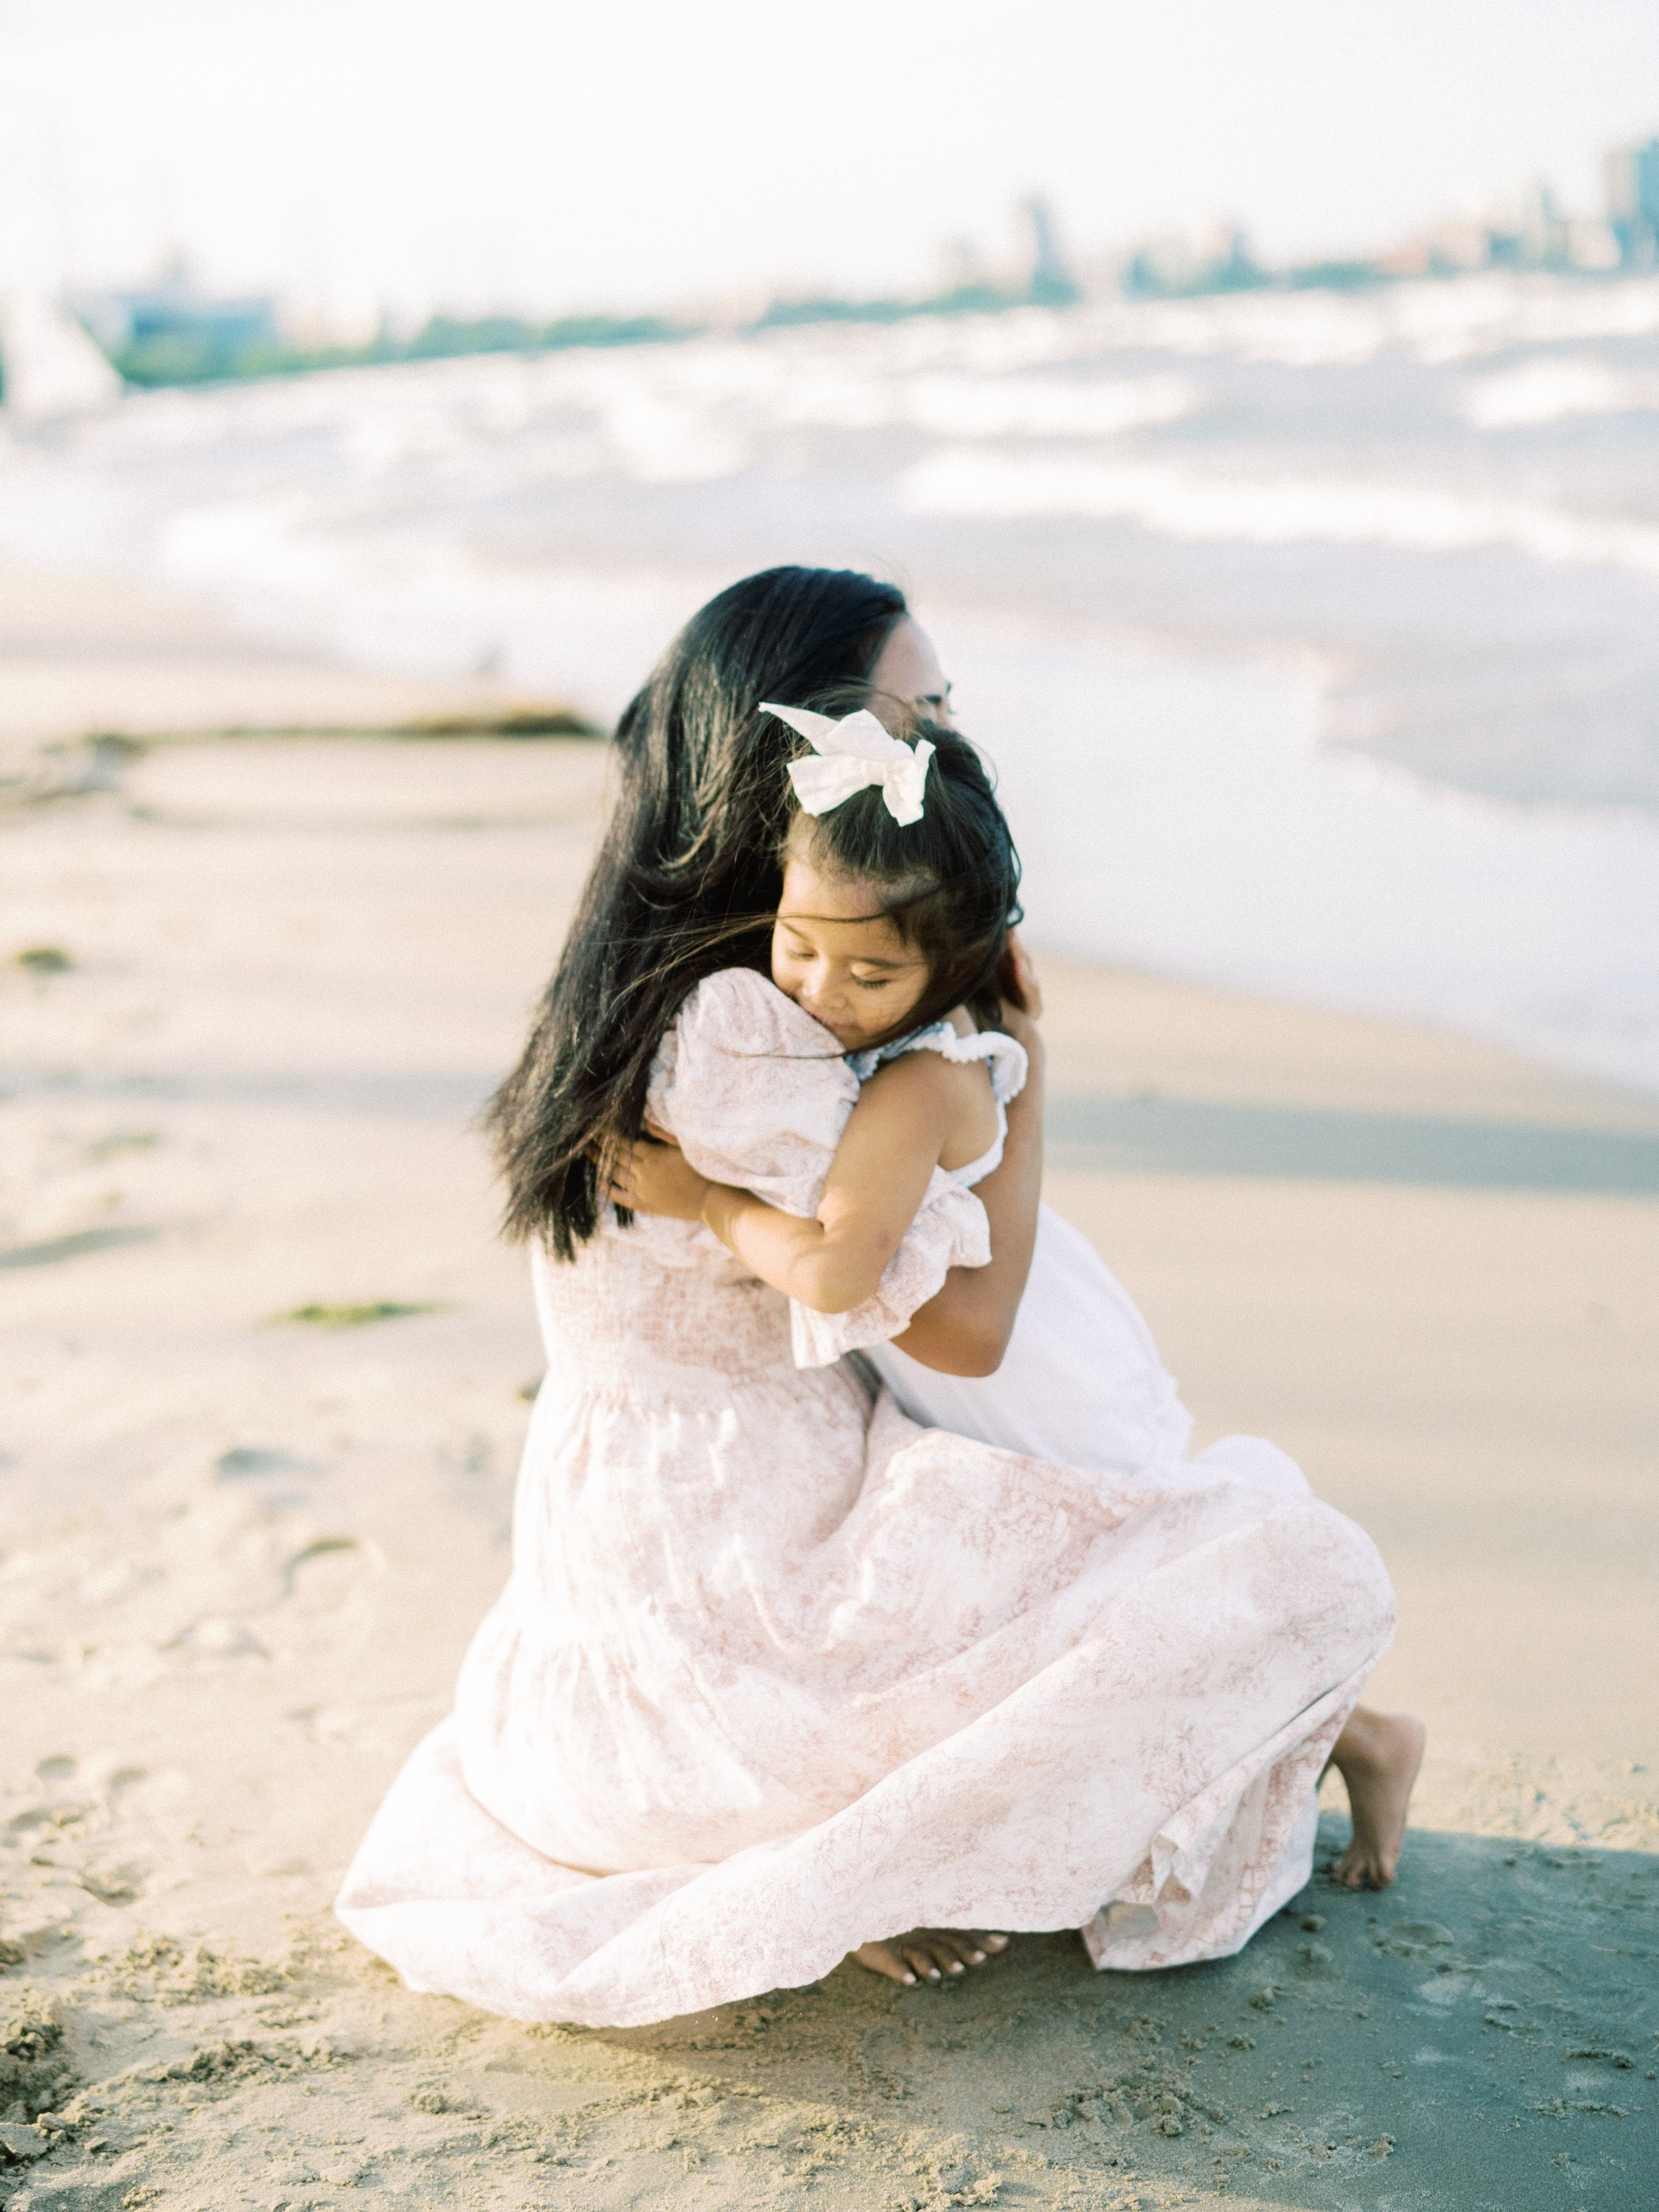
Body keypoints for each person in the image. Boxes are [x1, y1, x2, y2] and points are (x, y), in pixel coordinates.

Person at [335, 566, 1410, 2025]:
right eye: (923, 712)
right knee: (1245, 1568)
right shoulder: (748, 1037)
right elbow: (964, 1324)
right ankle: (886, 1847)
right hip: (738, 1556)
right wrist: (1005, 1068)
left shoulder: (664, 974)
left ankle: (1325, 1731)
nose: (947, 743)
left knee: (1109, 1555)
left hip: (637, 1519)